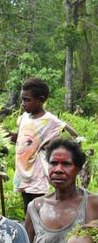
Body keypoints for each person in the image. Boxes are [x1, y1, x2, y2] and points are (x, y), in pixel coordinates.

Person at [24, 139, 98, 243]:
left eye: (66, 164)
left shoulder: (92, 204)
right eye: (53, 163)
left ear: (78, 169)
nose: (58, 170)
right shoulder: (36, 208)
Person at [13, 78, 78, 212]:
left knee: (39, 206)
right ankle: (30, 231)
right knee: (27, 207)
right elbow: (18, 137)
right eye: (22, 100)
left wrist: (50, 143)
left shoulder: (49, 120)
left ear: (41, 99)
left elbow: (73, 134)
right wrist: (0, 131)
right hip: (22, 170)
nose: (23, 104)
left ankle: (42, 231)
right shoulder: (24, 117)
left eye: (27, 100)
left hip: (37, 171)